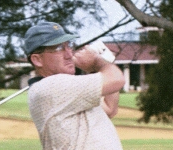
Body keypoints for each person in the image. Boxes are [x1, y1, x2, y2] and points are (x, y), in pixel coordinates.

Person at [24, 21, 125, 150]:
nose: (69, 54)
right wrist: (97, 62)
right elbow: (116, 80)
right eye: (59, 48)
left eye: (69, 46)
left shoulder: (67, 89)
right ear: (37, 59)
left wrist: (102, 65)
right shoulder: (52, 86)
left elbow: (110, 109)